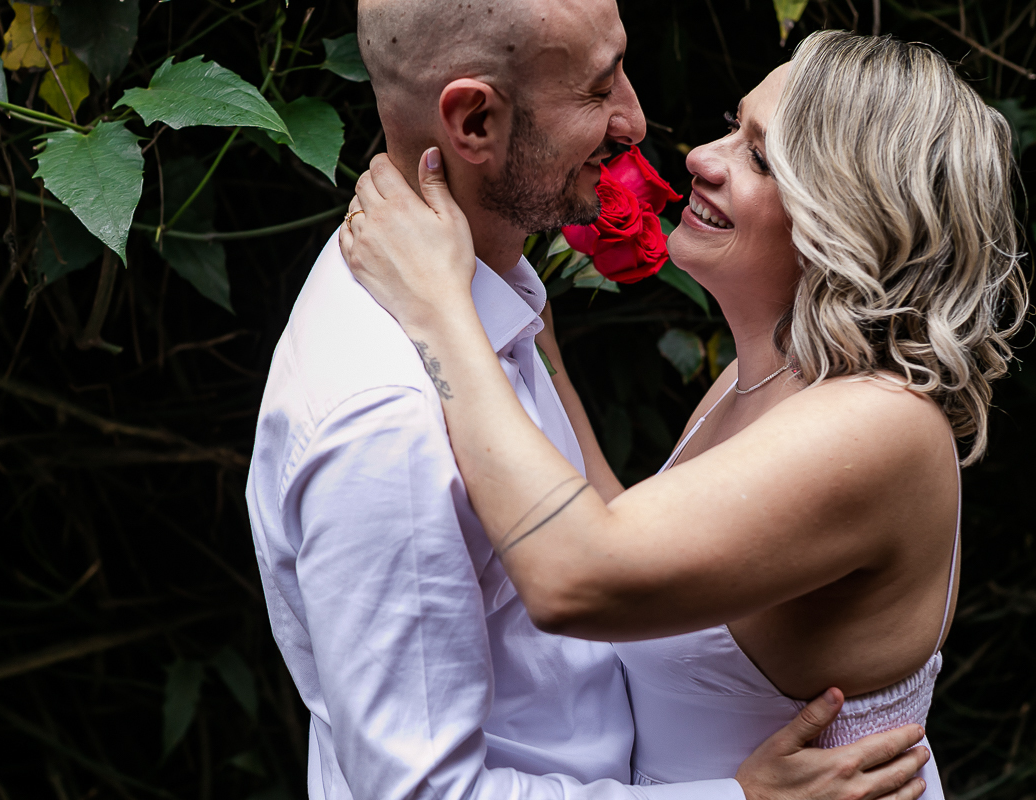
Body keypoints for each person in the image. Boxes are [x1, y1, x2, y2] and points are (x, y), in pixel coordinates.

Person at [248, 2, 932, 796]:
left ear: (851, 218)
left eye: (761, 157)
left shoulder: (861, 418)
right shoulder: (390, 421)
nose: (652, 130)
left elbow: (591, 556)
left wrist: (460, 308)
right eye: (599, 87)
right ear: (474, 123)